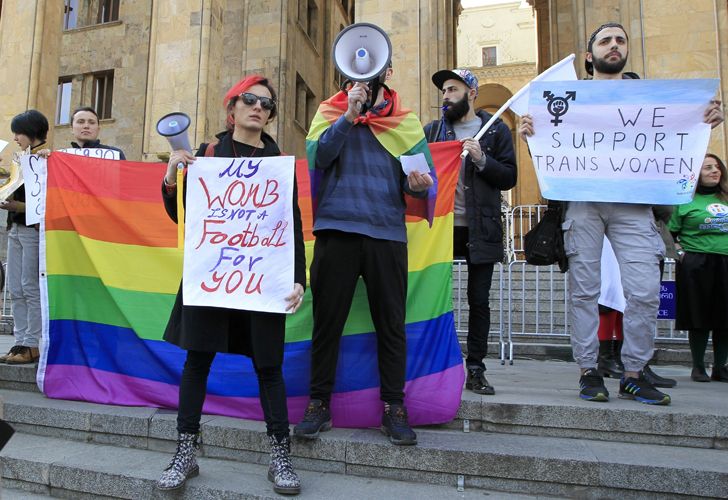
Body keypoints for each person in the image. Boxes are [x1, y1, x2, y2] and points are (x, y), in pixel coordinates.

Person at [518, 22, 724, 405]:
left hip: (634, 203)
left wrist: (705, 120)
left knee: (644, 291)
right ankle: (588, 370)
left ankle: (633, 372)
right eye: (605, 41)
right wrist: (533, 136)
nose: (614, 46)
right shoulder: (567, 97)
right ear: (589, 54)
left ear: (627, 50)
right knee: (584, 290)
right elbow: (552, 156)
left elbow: (680, 139)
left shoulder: (654, 99)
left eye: (620, 40)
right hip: (583, 203)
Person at [156, 75, 305, 495]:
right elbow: (179, 214)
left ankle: (280, 455)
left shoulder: (278, 164)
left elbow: (290, 224)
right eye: (250, 100)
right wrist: (172, 177)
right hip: (212, 277)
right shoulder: (207, 154)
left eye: (267, 104)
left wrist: (299, 278)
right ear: (232, 108)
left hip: (261, 279)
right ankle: (185, 452)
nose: (259, 107)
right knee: (197, 361)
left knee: (269, 367)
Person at [293, 64, 435, 446]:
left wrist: (419, 187)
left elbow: (421, 184)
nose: (360, 79)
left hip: (386, 235)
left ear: (388, 70)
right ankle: (318, 404)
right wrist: (348, 116)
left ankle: (394, 408)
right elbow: (318, 159)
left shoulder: (406, 122)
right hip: (336, 231)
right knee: (326, 324)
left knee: (391, 325)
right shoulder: (328, 111)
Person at [423, 68, 517, 395]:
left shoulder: (495, 131)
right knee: (433, 299)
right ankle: (434, 367)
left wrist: (482, 160)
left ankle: (475, 367)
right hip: (440, 229)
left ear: (471, 93)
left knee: (479, 301)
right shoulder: (433, 131)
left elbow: (508, 177)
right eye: (444, 91)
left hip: (482, 227)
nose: (445, 96)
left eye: (452, 89)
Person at [668, 153, 728, 383]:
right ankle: (699, 366)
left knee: (725, 316)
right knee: (698, 315)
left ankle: (721, 367)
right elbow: (670, 234)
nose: (714, 171)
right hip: (696, 264)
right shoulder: (684, 202)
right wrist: (682, 255)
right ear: (696, 174)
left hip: (725, 261)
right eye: (707, 168)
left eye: (717, 167)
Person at [0, 110, 50, 365]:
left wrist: (16, 207)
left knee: (30, 287)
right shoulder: (20, 159)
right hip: (15, 228)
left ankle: (32, 343)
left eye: (19, 132)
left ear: (31, 132)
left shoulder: (47, 158)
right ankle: (20, 342)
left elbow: (45, 201)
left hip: (33, 230)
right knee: (16, 288)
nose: (16, 137)